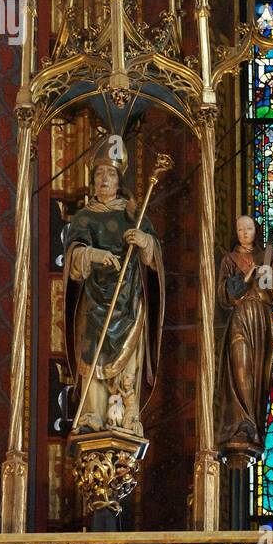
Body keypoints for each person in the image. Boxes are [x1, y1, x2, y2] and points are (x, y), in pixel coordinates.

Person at [63, 142, 164, 436]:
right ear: (92, 181)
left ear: (119, 181)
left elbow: (155, 259)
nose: (104, 180)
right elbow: (73, 257)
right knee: (91, 354)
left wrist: (144, 242)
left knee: (127, 358)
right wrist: (92, 254)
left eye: (110, 174)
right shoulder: (83, 217)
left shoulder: (133, 213)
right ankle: (92, 413)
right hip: (95, 299)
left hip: (128, 298)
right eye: (98, 175)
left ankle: (127, 413)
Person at [217, 216, 273, 450]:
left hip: (262, 318)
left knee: (257, 372)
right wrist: (246, 276)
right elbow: (225, 296)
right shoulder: (230, 259)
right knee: (240, 367)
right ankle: (241, 423)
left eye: (249, 228)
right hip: (241, 317)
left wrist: (268, 272)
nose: (245, 232)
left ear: (256, 231)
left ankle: (255, 422)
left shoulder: (267, 257)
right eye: (240, 228)